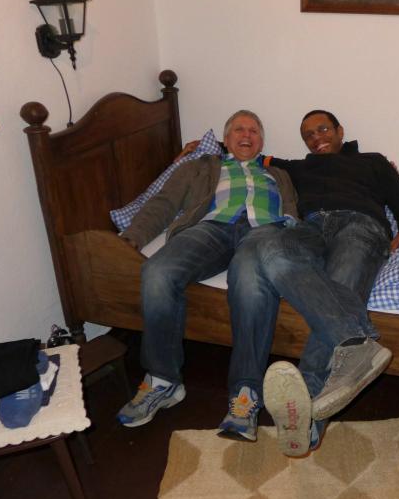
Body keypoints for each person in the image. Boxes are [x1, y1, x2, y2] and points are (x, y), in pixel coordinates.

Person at [226, 110, 399, 455]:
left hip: (359, 225)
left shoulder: (373, 162)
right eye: (308, 135)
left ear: (339, 131)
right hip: (311, 228)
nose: (317, 138)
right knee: (271, 249)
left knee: (340, 285)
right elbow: (249, 152)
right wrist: (197, 150)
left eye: (323, 129)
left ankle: (306, 417)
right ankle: (355, 344)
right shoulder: (298, 167)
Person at [115, 110, 298, 429]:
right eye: (239, 129)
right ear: (225, 140)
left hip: (262, 232)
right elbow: (163, 204)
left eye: (254, 131)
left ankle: (245, 393)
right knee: (157, 271)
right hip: (212, 228)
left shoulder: (279, 174)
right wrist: (133, 237)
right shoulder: (199, 166)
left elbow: (293, 213)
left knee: (249, 281)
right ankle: (163, 380)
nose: (246, 135)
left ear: (261, 141)